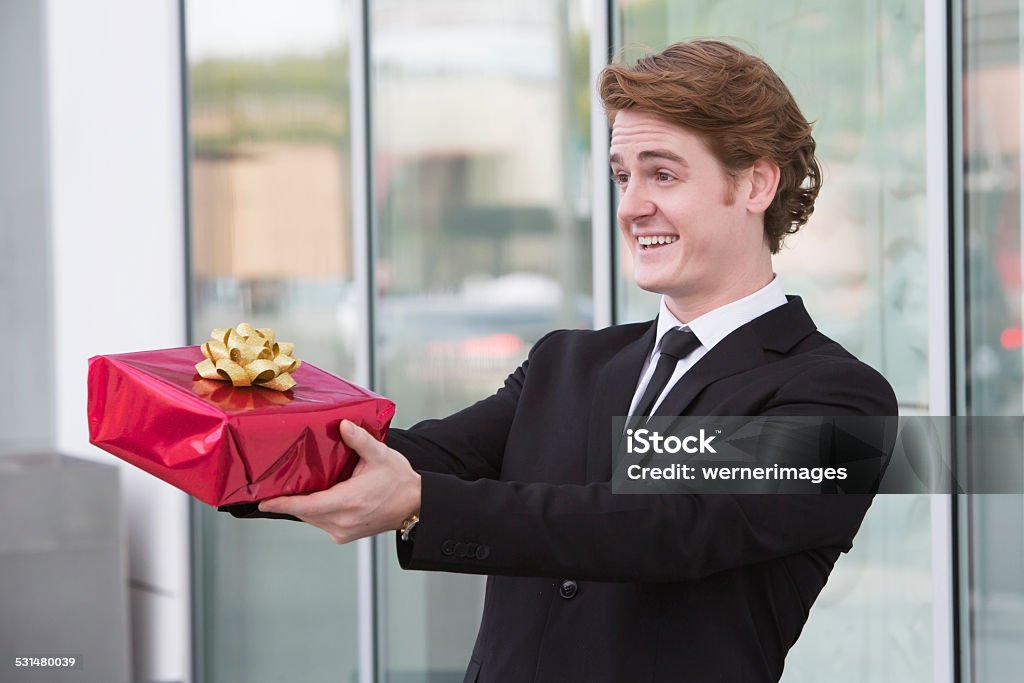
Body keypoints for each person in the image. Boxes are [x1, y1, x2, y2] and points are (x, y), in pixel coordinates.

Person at [260, 39, 897, 682]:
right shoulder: (567, 362)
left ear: (757, 182)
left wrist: (422, 501)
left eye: (663, 174)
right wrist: (235, 433)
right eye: (623, 176)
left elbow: (669, 523)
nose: (631, 205)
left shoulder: (839, 399)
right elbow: (418, 454)